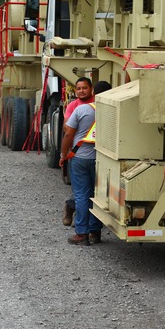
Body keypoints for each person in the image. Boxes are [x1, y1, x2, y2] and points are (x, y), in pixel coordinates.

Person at [60, 80, 111, 245]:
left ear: (94, 93)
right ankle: (95, 233)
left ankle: (81, 233)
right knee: (98, 196)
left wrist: (63, 154)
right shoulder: (113, 112)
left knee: (82, 195)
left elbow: (68, 134)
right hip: (102, 160)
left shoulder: (82, 109)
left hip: (80, 158)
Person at [61, 78, 95, 226]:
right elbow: (67, 129)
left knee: (83, 192)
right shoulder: (74, 106)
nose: (81, 91)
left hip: (84, 155)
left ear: (91, 89)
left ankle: (82, 229)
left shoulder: (94, 105)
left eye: (84, 88)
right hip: (80, 153)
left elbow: (69, 132)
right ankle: (91, 229)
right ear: (75, 90)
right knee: (86, 192)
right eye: (79, 88)